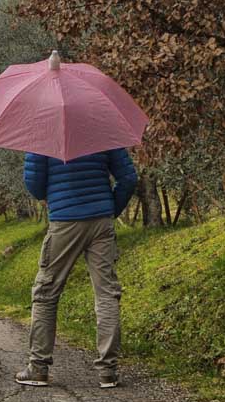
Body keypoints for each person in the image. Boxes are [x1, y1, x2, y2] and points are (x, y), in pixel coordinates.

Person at [15, 148, 138, 389]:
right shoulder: (103, 124)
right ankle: (108, 372)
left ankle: (38, 368)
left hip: (64, 220)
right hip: (101, 220)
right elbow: (129, 178)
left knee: (46, 293)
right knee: (106, 293)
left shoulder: (44, 129)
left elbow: (33, 181)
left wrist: (49, 195)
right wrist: (112, 209)